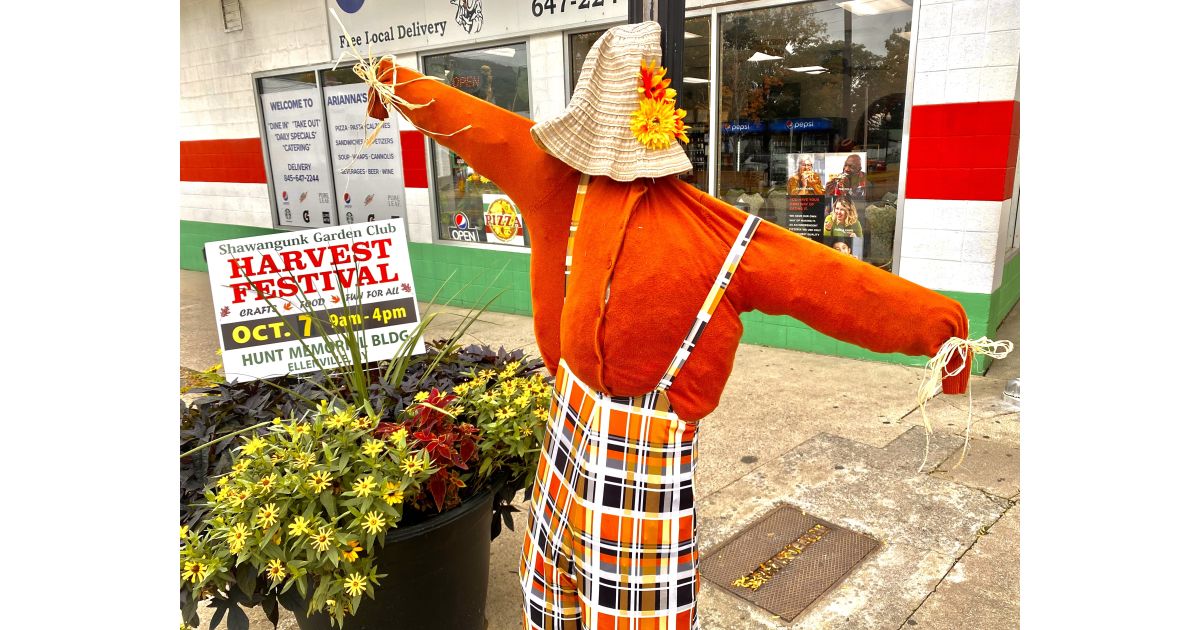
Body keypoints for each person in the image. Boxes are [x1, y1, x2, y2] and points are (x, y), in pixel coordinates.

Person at [361, 22, 970, 630]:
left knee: (637, 617)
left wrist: (942, 330)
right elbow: (467, 120)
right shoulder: (551, 174)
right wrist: (392, 83)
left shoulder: (715, 236)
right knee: (549, 595)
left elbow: (833, 285)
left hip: (645, 462)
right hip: (565, 429)